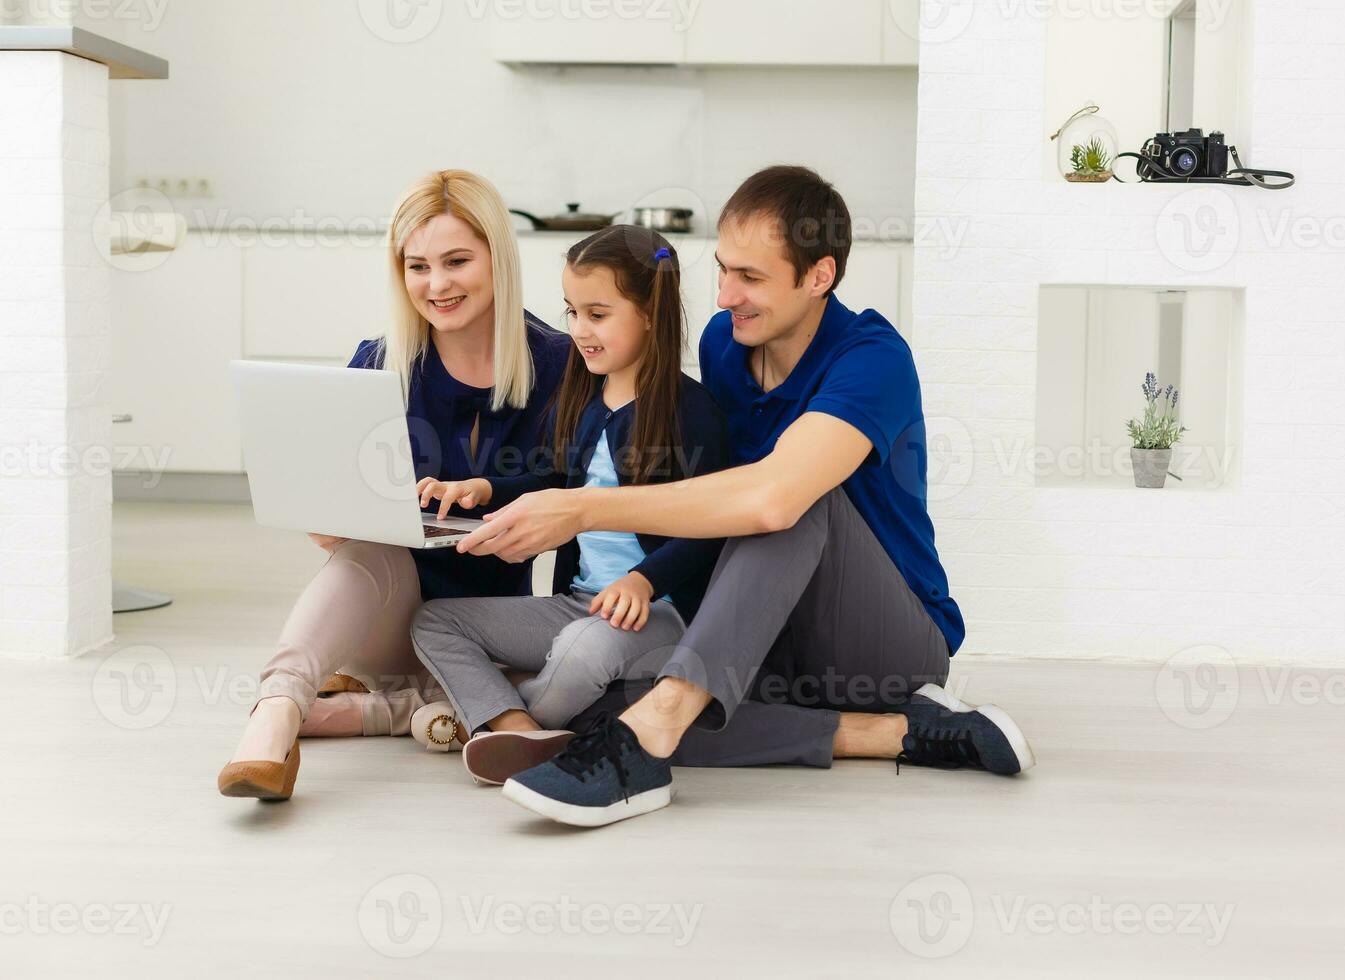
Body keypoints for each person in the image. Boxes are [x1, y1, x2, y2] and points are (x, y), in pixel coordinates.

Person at [452, 165, 1037, 827]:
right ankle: (891, 734)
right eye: (724, 270)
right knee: (597, 700)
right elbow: (706, 493)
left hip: (881, 643)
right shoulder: (726, 346)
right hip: (769, 635)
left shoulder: (873, 359)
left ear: (819, 276)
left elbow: (769, 500)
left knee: (790, 495)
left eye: (751, 278)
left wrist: (584, 506)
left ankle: (650, 741)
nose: (726, 296)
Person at [216, 169, 568, 802]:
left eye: (457, 261)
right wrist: (328, 517)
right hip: (381, 615)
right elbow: (332, 509)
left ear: (498, 256)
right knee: (367, 549)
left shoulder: (560, 363)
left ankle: (388, 710)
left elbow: (572, 495)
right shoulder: (378, 362)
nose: (437, 285)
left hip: (485, 628)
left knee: (560, 693)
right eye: (418, 267)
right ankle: (276, 711)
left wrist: (495, 499)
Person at [410, 226, 731, 786]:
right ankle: (516, 728)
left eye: (598, 314)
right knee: (435, 621)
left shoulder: (692, 410)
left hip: (656, 612)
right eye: (572, 312)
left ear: (651, 311)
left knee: (581, 654)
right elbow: (559, 482)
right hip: (576, 603)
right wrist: (485, 488)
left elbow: (712, 526)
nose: (579, 331)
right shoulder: (585, 395)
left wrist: (644, 581)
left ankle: (486, 716)